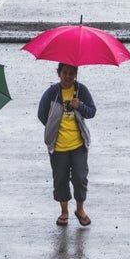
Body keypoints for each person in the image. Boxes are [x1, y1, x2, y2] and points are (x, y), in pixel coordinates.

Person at [37, 62, 97, 226]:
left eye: (71, 73)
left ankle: (80, 209)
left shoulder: (81, 91)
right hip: (58, 147)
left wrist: (80, 106)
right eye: (65, 72)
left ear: (75, 74)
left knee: (80, 178)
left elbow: (92, 111)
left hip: (78, 145)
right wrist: (53, 127)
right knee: (60, 179)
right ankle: (64, 212)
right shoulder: (52, 93)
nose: (68, 76)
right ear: (59, 73)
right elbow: (42, 114)